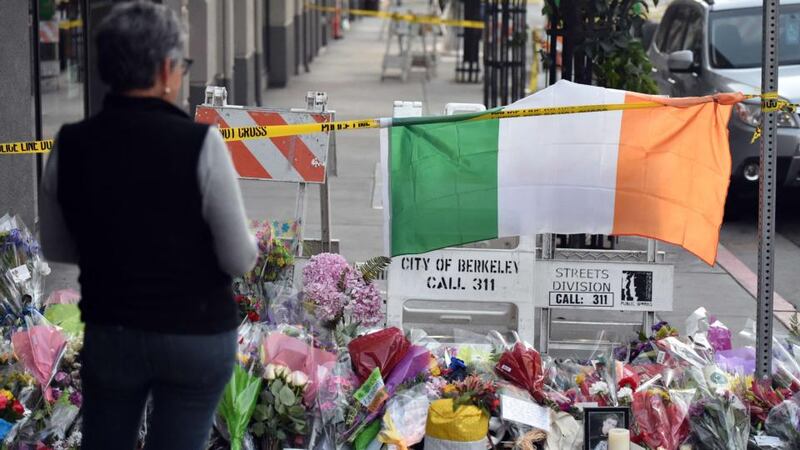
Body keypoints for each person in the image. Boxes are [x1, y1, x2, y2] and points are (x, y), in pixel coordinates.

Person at [38, 2, 258, 449]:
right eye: (181, 65)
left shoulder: (71, 144)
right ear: (164, 69)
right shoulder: (200, 143)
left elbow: (57, 248)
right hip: (194, 335)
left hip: (113, 330)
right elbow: (239, 257)